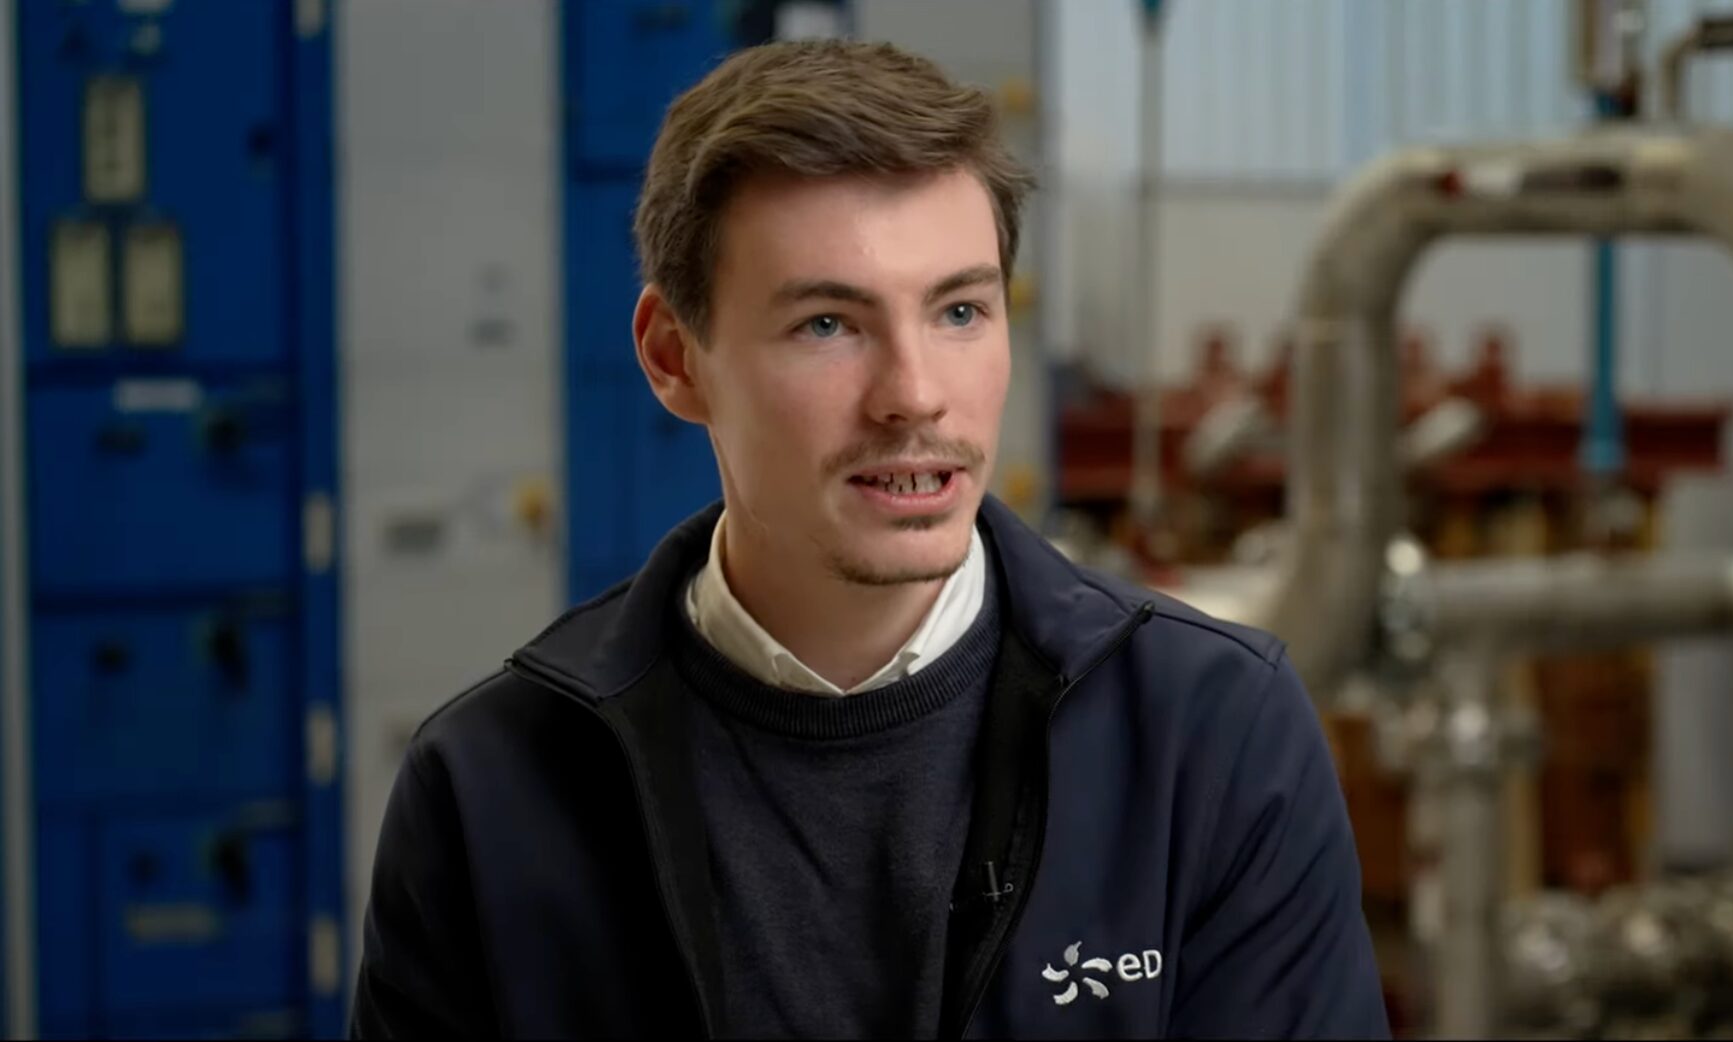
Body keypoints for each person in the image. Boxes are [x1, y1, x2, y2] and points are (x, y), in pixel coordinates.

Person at [351, 38, 1389, 1040]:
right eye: (828, 324)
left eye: (959, 312)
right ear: (675, 357)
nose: (914, 395)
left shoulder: (1212, 738)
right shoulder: (490, 791)